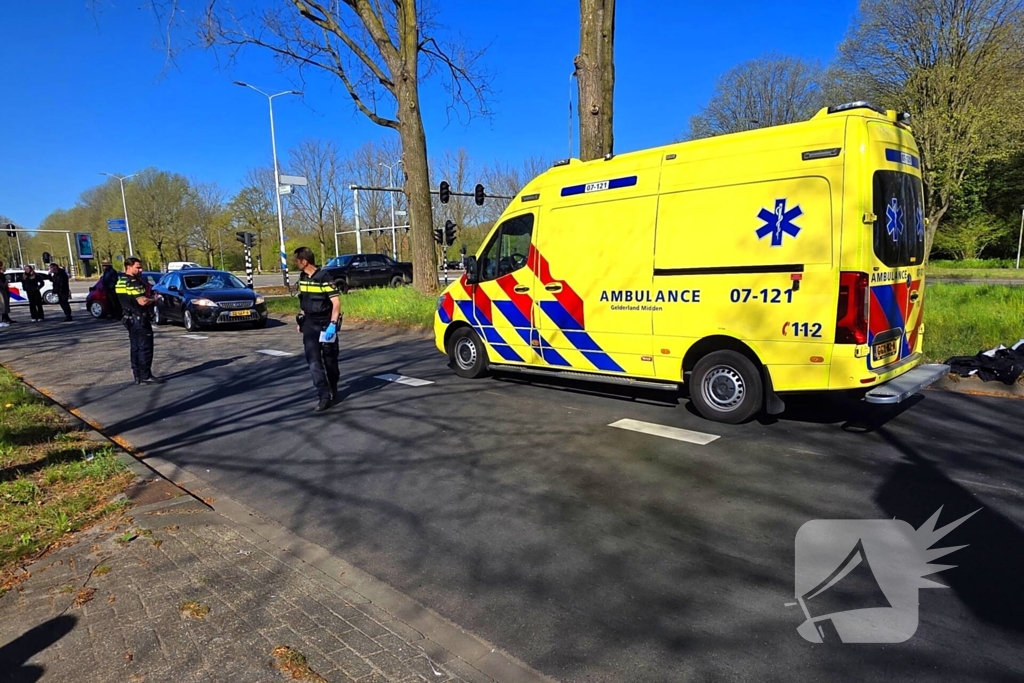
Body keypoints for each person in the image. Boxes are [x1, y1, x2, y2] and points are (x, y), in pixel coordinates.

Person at [294, 246, 342, 412]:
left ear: (304, 261)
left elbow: (336, 303)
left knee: (330, 361)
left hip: (325, 324)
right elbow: (304, 300)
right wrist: (301, 319)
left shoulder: (324, 277)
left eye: (297, 260)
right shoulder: (302, 277)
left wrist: (333, 324)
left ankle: (333, 384)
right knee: (313, 361)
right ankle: (323, 395)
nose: (295, 263)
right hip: (309, 324)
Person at [115, 257, 163, 385]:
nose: (140, 270)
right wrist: (154, 299)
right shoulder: (134, 282)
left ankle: (137, 376)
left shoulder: (121, 281)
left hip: (128, 318)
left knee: (135, 348)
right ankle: (145, 375)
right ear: (128, 267)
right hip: (139, 318)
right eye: (138, 267)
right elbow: (142, 301)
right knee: (145, 348)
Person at [0, 261, 13, 327]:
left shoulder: (2, 274)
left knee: (6, 304)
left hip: (4, 291)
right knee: (3, 305)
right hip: (2, 291)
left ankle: (6, 318)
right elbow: (2, 284)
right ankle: (3, 320)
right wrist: (6, 281)